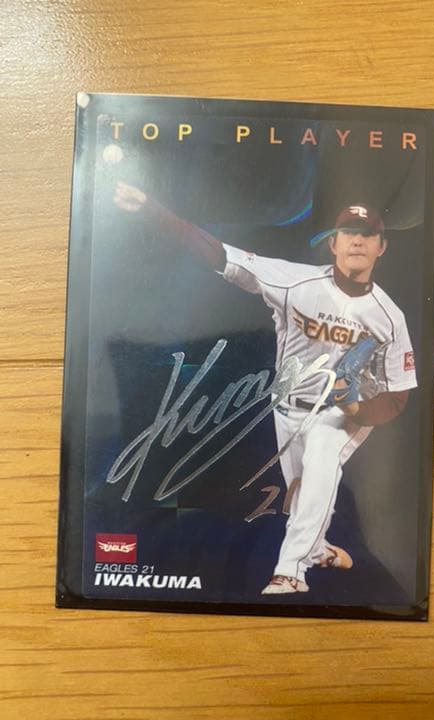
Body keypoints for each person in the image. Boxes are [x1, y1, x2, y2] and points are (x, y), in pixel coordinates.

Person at [114, 183, 418, 595]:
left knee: (323, 457)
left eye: (368, 235)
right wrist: (154, 211)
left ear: (382, 247)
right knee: (300, 496)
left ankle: (290, 572)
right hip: (288, 405)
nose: (358, 241)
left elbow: (398, 396)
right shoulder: (294, 282)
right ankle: (318, 549)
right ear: (334, 244)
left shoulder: (389, 318)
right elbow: (221, 255)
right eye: (348, 232)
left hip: (345, 411)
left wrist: (354, 409)